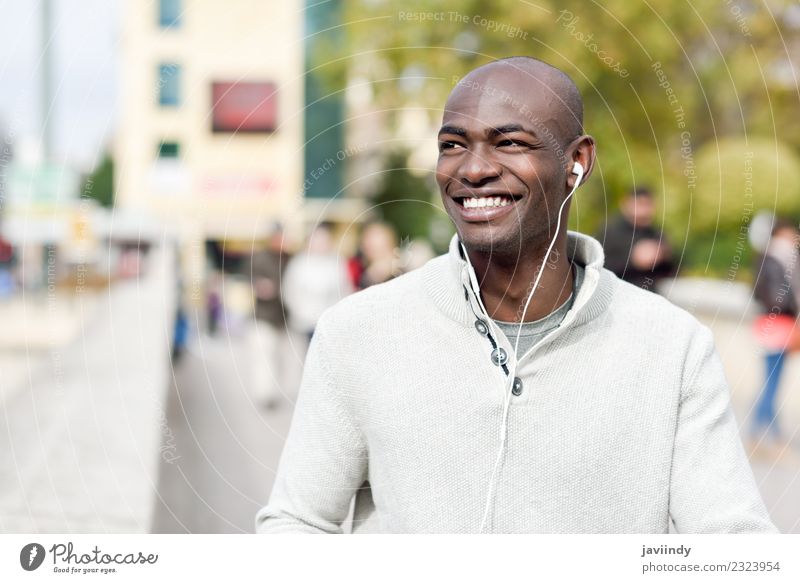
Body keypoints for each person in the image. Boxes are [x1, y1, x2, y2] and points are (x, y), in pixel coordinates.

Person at [256, 57, 775, 533]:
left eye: (510, 143)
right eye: (453, 145)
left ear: (577, 162)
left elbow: (734, 549)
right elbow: (297, 523)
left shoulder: (674, 348)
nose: (473, 169)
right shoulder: (356, 332)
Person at [751, 218, 800, 446]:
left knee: (772, 379)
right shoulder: (773, 260)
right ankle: (765, 432)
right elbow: (772, 295)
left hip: (778, 324)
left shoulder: (776, 258)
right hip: (776, 324)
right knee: (771, 380)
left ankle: (764, 431)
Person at [242, 225, 292, 409]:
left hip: (283, 318)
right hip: (263, 317)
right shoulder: (260, 258)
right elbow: (250, 278)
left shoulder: (289, 259)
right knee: (263, 356)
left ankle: (273, 391)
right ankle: (265, 394)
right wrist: (260, 285)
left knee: (279, 358)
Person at [280, 223, 353, 344]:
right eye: (317, 239)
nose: (320, 243)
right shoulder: (298, 263)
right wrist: (300, 312)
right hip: (303, 324)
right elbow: (289, 290)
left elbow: (345, 289)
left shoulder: (337, 262)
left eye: (324, 239)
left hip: (330, 324)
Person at [597, 186, 675, 292]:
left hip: (649, 296)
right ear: (626, 204)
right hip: (617, 294)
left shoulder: (655, 233)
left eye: (647, 205)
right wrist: (633, 260)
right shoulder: (610, 231)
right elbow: (599, 267)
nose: (643, 211)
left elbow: (672, 270)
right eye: (640, 205)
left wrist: (663, 255)